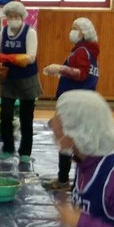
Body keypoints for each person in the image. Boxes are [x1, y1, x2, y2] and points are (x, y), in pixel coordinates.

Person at [51, 90, 114, 227]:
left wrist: (81, 222)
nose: (51, 123)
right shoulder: (85, 161)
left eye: (58, 117)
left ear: (76, 128)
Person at [42, 18, 100, 191]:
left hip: (75, 104)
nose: (72, 31)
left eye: (75, 28)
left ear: (84, 33)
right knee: (79, 144)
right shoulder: (91, 53)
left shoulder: (82, 52)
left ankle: (63, 181)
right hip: (85, 102)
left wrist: (59, 69)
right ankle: (80, 182)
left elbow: (80, 74)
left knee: (67, 142)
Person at [0, 1, 41, 163]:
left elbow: (31, 57)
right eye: (10, 16)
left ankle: (25, 152)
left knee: (26, 118)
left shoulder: (30, 33)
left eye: (16, 16)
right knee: (5, 115)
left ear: (22, 17)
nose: (13, 19)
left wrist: (9, 58)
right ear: (6, 17)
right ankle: (8, 148)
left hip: (27, 79)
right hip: (8, 80)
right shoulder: (4, 32)